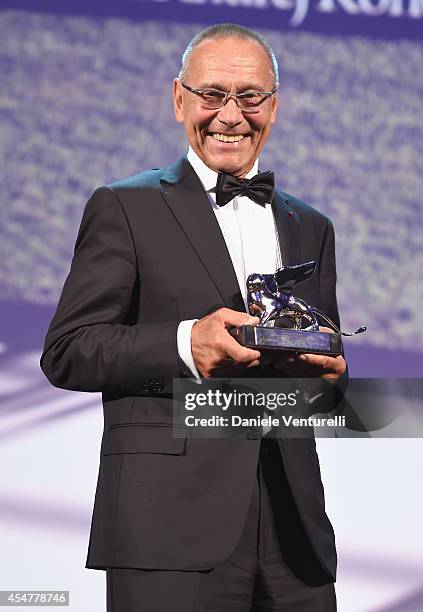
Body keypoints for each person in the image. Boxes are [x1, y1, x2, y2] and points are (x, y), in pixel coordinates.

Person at [40, 23, 347, 611]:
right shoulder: (124, 206)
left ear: (274, 107)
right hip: (166, 530)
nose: (231, 115)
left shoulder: (311, 225)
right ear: (179, 99)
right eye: (212, 95)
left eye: (250, 96)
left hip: (295, 538)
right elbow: (69, 350)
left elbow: (322, 387)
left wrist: (330, 379)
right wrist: (187, 343)